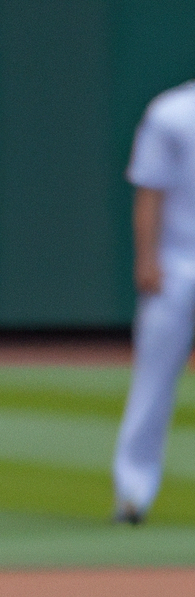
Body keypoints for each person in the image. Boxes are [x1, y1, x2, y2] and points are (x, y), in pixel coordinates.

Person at [113, 82, 195, 524]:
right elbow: (150, 188)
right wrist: (147, 258)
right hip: (176, 265)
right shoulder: (173, 111)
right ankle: (133, 494)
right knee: (152, 384)